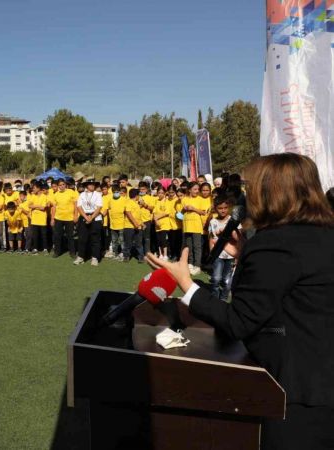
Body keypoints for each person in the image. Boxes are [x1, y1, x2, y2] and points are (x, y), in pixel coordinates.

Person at [146, 154, 334, 450]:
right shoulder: (322, 233)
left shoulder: (275, 244)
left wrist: (187, 285)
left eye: (250, 187)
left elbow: (240, 321)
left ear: (270, 191)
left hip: (300, 391)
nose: (246, 196)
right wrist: (247, 253)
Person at [207, 194, 241, 302]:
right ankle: (214, 298)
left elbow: (239, 239)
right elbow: (211, 238)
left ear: (229, 208)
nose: (223, 210)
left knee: (227, 281)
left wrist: (237, 256)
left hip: (231, 256)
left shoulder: (233, 221)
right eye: (220, 208)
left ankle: (223, 298)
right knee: (216, 278)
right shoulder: (213, 222)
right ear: (215, 208)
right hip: (218, 255)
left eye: (225, 208)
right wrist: (211, 253)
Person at [75, 180, 103, 266]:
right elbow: (79, 206)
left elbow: (99, 207)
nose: (92, 186)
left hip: (95, 217)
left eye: (93, 184)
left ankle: (95, 258)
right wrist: (85, 216)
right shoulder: (82, 195)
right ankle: (81, 257)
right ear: (86, 186)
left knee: (95, 239)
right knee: (82, 238)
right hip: (84, 217)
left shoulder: (98, 194)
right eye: (90, 184)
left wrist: (91, 217)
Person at [51, 178, 77, 258]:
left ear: (65, 185)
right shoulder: (56, 195)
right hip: (58, 218)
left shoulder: (71, 192)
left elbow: (76, 205)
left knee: (70, 236)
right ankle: (57, 252)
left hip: (69, 218)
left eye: (63, 184)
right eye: (60, 185)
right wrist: (52, 219)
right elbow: (54, 207)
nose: (61, 186)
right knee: (57, 235)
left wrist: (75, 216)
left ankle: (72, 252)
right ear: (58, 186)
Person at [122, 188, 143, 263]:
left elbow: (138, 216)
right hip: (129, 226)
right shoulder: (129, 202)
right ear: (136, 195)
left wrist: (141, 224)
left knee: (139, 243)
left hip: (138, 227)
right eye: (139, 195)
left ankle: (141, 257)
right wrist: (135, 223)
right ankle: (126, 256)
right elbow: (128, 213)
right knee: (128, 243)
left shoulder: (137, 204)